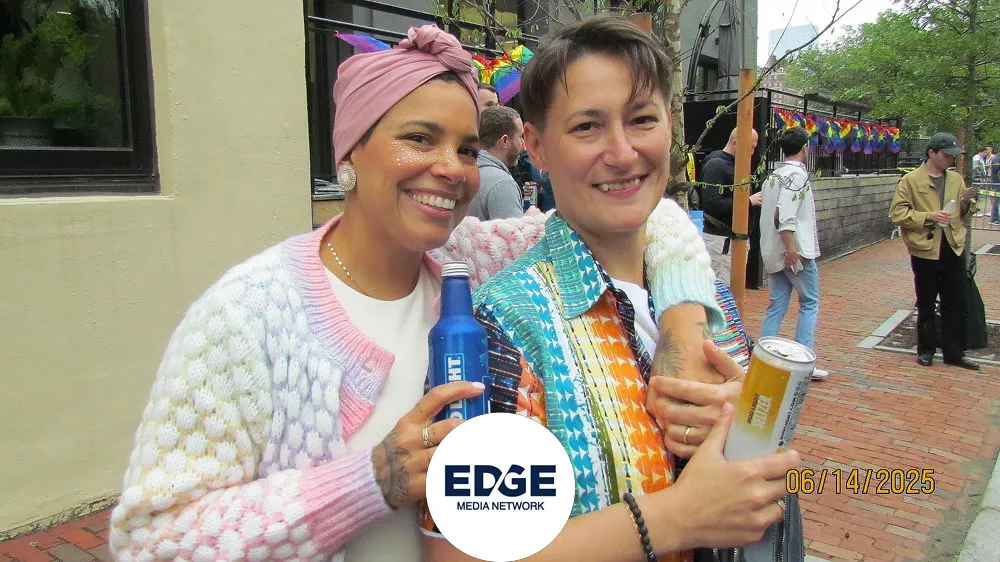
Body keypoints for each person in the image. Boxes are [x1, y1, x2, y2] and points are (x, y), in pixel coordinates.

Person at [109, 23, 744, 562]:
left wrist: (685, 331)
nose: (449, 169)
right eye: (419, 138)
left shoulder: (472, 258)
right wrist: (369, 482)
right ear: (350, 153)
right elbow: (148, 542)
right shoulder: (251, 313)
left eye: (466, 149)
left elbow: (642, 214)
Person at [423, 16, 801, 561]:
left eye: (642, 119)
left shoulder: (707, 296)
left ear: (670, 127)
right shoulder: (503, 330)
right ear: (537, 147)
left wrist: (747, 425)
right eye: (587, 127)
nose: (623, 153)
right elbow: (465, 552)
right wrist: (673, 519)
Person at [889, 132, 980, 370]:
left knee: (955, 302)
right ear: (932, 152)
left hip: (952, 246)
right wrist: (928, 216)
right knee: (926, 301)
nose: (951, 159)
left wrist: (968, 202)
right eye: (947, 154)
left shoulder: (956, 179)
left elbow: (963, 212)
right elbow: (897, 214)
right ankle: (926, 349)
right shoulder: (910, 181)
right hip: (925, 249)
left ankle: (954, 353)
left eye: (953, 155)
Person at [758, 126, 829, 381]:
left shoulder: (773, 177)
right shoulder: (797, 177)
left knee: (777, 305)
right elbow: (785, 217)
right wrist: (792, 250)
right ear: (805, 147)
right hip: (794, 251)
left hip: (772, 249)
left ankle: (762, 358)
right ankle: (803, 362)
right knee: (809, 302)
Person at [699, 127, 763, 285]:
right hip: (721, 241)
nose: (752, 153)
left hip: (734, 239)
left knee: (731, 289)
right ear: (735, 143)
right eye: (750, 148)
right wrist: (748, 202)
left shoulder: (735, 165)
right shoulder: (716, 165)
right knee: (721, 290)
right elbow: (711, 203)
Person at [468, 105, 526, 220]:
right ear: (504, 141)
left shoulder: (464, 171)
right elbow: (511, 231)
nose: (523, 144)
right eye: (520, 137)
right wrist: (531, 220)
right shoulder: (502, 183)